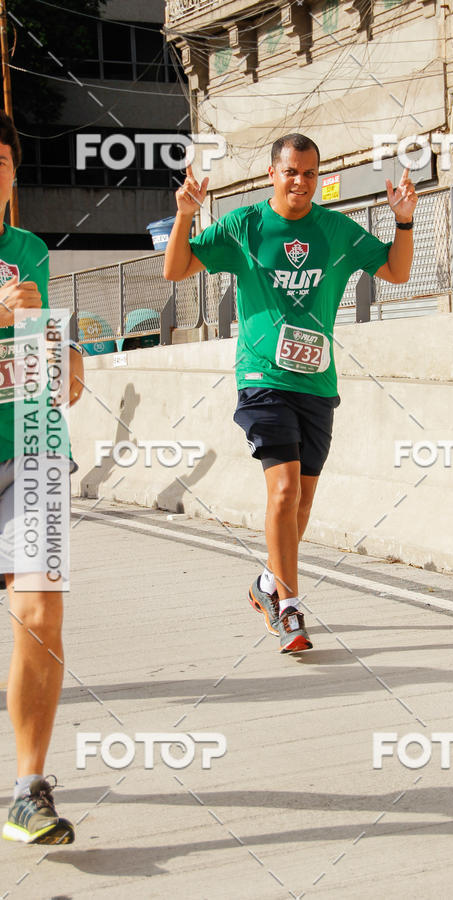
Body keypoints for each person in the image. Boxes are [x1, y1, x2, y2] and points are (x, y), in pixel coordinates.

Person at [164, 133, 417, 652]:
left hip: (317, 383)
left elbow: (396, 270)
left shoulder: (336, 231)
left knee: (299, 505)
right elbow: (176, 269)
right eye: (290, 172)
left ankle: (265, 585)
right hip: (262, 379)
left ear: (317, 177)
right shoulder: (244, 227)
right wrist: (186, 217)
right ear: (272, 175)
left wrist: (405, 222)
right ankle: (291, 607)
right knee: (282, 493)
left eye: (308, 173)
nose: (299, 182)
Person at [0, 111, 84, 844]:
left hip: (32, 449)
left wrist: (46, 333)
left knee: (41, 610)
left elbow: (66, 381)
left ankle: (28, 787)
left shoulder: (29, 252)